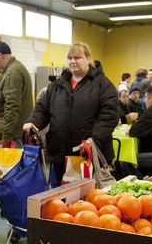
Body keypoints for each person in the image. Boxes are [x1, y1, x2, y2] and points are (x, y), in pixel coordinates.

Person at [23, 42, 121, 185]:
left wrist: (93, 140)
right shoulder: (57, 85)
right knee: (60, 195)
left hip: (88, 155)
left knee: (87, 196)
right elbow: (42, 109)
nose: (73, 61)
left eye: (77, 57)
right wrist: (33, 121)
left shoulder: (103, 84)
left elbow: (109, 116)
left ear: (88, 58)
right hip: (59, 154)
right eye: (69, 58)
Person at [0, 41, 33, 146]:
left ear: (0, 55)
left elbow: (12, 106)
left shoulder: (12, 73)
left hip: (14, 134)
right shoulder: (13, 69)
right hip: (15, 131)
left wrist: (6, 136)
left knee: (13, 157)